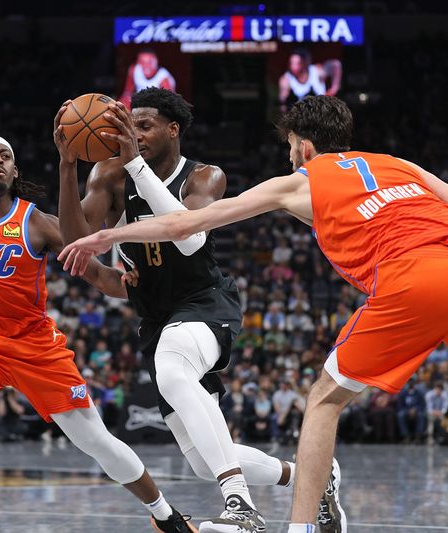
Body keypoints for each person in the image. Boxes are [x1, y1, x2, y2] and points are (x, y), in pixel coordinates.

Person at [59, 95, 448, 531]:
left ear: (304, 146)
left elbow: (184, 228)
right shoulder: (399, 165)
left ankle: (297, 527)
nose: (289, 156)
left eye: (290, 147)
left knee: (323, 401)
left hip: (414, 276)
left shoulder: (299, 180)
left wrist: (111, 234)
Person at [55, 88, 345, 533]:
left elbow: (188, 238)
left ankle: (241, 508)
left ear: (174, 130)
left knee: (172, 366)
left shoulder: (205, 177)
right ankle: (312, 476)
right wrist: (68, 164)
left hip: (206, 303)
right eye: (130, 126)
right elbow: (75, 236)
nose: (135, 134)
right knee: (201, 461)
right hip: (156, 317)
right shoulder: (109, 176)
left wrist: (134, 162)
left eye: (145, 125)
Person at [0, 135, 195, 533]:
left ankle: (166, 515)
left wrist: (135, 285)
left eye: (6, 156)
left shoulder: (36, 222)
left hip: (34, 347)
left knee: (95, 440)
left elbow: (97, 273)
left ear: (14, 172)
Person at [279, 48, 342, 112]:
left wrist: (335, 88)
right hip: (302, 116)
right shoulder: (286, 79)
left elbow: (336, 64)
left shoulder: (317, 71)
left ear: (304, 63)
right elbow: (282, 104)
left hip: (322, 114)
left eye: (297, 63)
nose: (293, 67)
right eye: (291, 63)